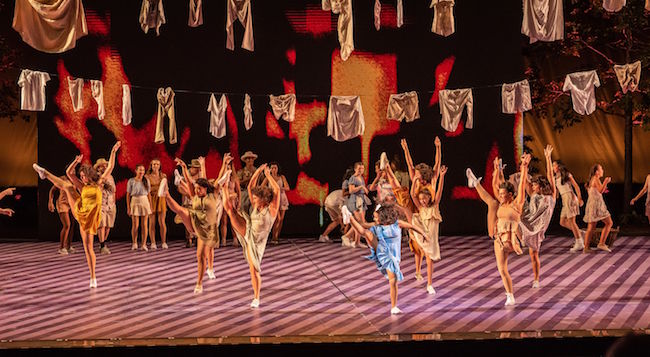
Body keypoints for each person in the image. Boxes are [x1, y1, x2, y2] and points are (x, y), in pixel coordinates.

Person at [33, 141, 121, 288]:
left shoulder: (98, 183)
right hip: (80, 212)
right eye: (80, 176)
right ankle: (45, 174)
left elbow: (111, 166)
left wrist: (113, 151)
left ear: (89, 175)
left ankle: (93, 277)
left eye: (83, 176)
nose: (82, 178)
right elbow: (68, 173)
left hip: (90, 220)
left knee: (89, 249)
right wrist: (75, 162)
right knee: (67, 186)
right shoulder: (82, 186)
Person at [466, 153, 530, 306]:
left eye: (503, 194)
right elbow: (497, 184)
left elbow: (521, 186)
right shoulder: (502, 203)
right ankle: (510, 295)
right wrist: (497, 170)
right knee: (502, 270)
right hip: (498, 239)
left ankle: (475, 184)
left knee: (492, 203)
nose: (500, 196)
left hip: (511, 240)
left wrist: (524, 167)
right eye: (500, 194)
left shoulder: (517, 204)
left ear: (510, 194)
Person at [342, 204, 428, 315]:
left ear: (383, 216)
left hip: (394, 255)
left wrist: (423, 234)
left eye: (376, 217)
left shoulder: (397, 224)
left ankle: (350, 217)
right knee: (366, 233)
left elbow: (412, 226)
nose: (374, 219)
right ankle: (350, 218)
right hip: (383, 252)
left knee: (393, 281)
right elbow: (363, 227)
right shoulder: (378, 227)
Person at [160, 157, 223, 294]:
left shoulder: (213, 196)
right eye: (195, 189)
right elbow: (189, 181)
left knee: (201, 256)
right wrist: (183, 167)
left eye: (199, 189)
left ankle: (200, 281)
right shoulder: (194, 196)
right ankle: (165, 194)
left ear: (206, 189)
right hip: (195, 223)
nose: (196, 191)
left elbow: (214, 179)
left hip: (208, 231)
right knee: (181, 210)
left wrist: (223, 164)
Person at [221, 163, 280, 308]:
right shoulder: (255, 207)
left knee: (253, 269)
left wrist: (268, 176)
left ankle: (256, 298)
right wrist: (258, 171)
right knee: (230, 210)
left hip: (257, 242)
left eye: (255, 198)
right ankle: (223, 185)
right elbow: (250, 186)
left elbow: (277, 190)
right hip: (248, 230)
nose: (252, 200)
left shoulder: (271, 210)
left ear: (264, 199)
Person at [519, 145, 556, 288]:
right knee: (514, 219)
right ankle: (517, 242)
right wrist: (525, 165)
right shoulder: (532, 194)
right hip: (529, 221)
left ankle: (536, 279)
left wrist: (548, 157)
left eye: (535, 185)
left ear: (540, 185)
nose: (533, 186)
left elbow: (550, 176)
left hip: (539, 228)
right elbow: (523, 181)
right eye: (532, 185)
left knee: (534, 254)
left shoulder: (551, 195)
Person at [410, 165, 447, 295]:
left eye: (424, 199)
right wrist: (414, 180)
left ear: (429, 198)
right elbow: (412, 195)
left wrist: (442, 176)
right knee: (428, 258)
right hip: (423, 234)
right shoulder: (420, 208)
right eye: (421, 199)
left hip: (432, 237)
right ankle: (429, 284)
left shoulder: (434, 205)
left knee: (430, 259)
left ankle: (429, 283)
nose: (422, 201)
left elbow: (439, 191)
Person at [553, 160, 585, 252]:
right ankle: (580, 233)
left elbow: (576, 187)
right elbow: (557, 192)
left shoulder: (567, 175)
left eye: (554, 165)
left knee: (572, 221)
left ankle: (579, 243)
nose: (552, 167)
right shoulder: (556, 178)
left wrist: (579, 198)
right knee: (562, 222)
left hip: (570, 198)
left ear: (558, 167)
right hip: (564, 199)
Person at [583, 164, 614, 253]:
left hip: (593, 205)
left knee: (591, 227)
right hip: (597, 206)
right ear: (597, 172)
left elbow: (600, 190)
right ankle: (601, 243)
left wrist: (604, 187)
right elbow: (600, 190)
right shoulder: (595, 179)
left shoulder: (593, 179)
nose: (602, 170)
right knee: (609, 223)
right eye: (601, 169)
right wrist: (606, 181)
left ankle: (587, 247)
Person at [320, 167, 354, 244]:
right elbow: (341, 212)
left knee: (336, 221)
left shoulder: (345, 194)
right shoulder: (345, 196)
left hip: (328, 202)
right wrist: (342, 226)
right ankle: (347, 238)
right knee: (344, 219)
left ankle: (323, 236)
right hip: (333, 202)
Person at [343, 162, 371, 248]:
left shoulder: (361, 178)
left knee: (360, 223)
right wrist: (361, 187)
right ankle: (346, 236)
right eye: (359, 168)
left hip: (361, 201)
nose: (361, 170)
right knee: (360, 222)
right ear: (355, 169)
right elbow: (351, 191)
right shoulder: (353, 178)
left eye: (362, 168)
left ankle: (357, 242)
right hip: (355, 201)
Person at [175, 159, 201, 248]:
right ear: (192, 167)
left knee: (197, 219)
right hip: (187, 201)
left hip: (197, 201)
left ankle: (198, 238)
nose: (197, 170)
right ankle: (189, 239)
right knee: (187, 219)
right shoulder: (186, 174)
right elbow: (179, 188)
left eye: (198, 168)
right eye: (196, 168)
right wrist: (189, 194)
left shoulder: (200, 175)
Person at [262, 162, 290, 244]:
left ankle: (277, 236)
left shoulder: (281, 177)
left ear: (278, 169)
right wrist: (269, 191)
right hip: (274, 199)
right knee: (277, 219)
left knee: (281, 219)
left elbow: (287, 188)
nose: (274, 169)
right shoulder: (268, 177)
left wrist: (280, 188)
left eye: (275, 168)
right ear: (270, 169)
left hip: (282, 198)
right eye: (272, 168)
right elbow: (262, 186)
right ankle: (274, 237)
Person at [127, 164, 152, 251]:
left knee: (144, 225)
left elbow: (149, 194)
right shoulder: (131, 181)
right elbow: (128, 195)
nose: (141, 172)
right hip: (135, 201)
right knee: (135, 225)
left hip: (144, 201)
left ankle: (144, 244)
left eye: (143, 170)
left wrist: (150, 206)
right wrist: (128, 207)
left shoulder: (146, 180)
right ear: (136, 171)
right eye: (140, 170)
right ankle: (134, 243)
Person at [94, 158, 116, 255]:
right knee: (102, 225)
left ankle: (103, 243)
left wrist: (114, 203)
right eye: (102, 165)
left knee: (108, 226)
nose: (105, 166)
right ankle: (102, 245)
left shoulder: (110, 177)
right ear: (98, 168)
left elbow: (113, 191)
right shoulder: (97, 177)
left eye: (105, 165)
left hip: (110, 204)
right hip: (101, 203)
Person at [48, 179, 76, 254]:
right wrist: (50, 202)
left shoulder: (74, 178)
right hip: (63, 203)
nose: (73, 171)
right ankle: (62, 247)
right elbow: (52, 190)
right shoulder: (62, 179)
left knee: (72, 225)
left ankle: (68, 246)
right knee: (67, 225)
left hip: (71, 204)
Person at [146, 159, 168, 249]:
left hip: (161, 199)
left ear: (160, 166)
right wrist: (150, 204)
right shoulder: (147, 176)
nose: (156, 166)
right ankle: (153, 242)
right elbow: (147, 191)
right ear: (151, 166)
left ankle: (163, 242)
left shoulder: (163, 176)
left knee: (162, 222)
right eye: (154, 164)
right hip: (151, 198)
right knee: (152, 222)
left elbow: (166, 189)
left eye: (157, 164)